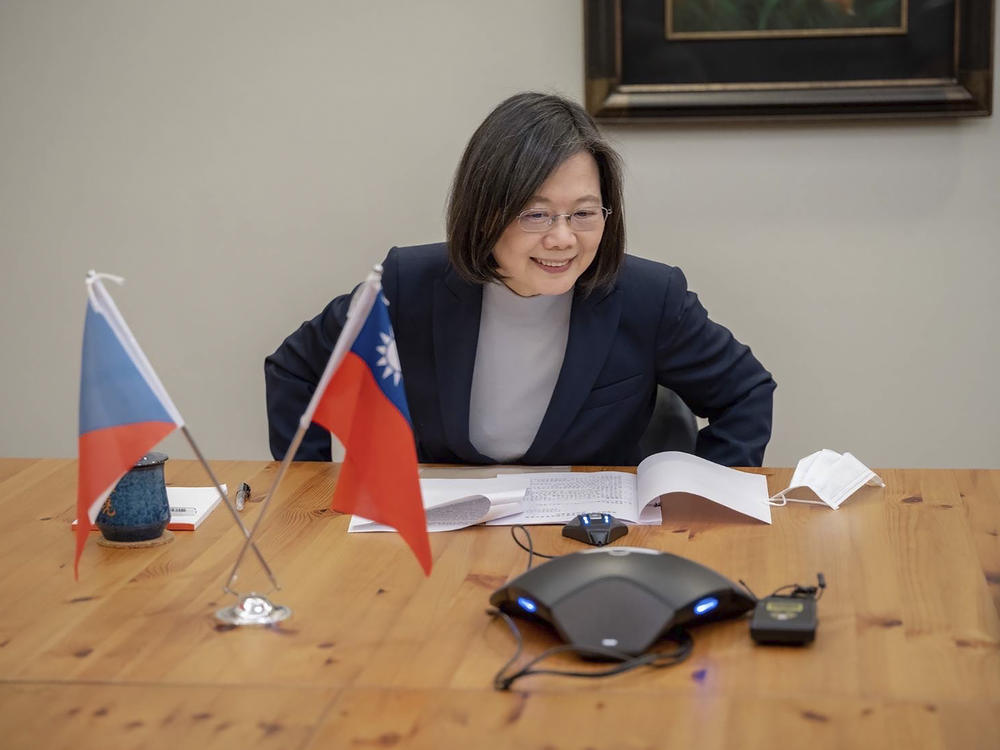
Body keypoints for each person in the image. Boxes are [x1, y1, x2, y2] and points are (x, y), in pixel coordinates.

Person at [265, 92, 775, 467]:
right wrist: (310, 490)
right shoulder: (409, 285)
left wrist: (701, 499)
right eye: (535, 215)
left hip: (586, 539)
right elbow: (296, 370)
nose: (563, 239)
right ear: (485, 213)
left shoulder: (648, 296)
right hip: (441, 536)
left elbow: (745, 392)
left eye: (584, 213)